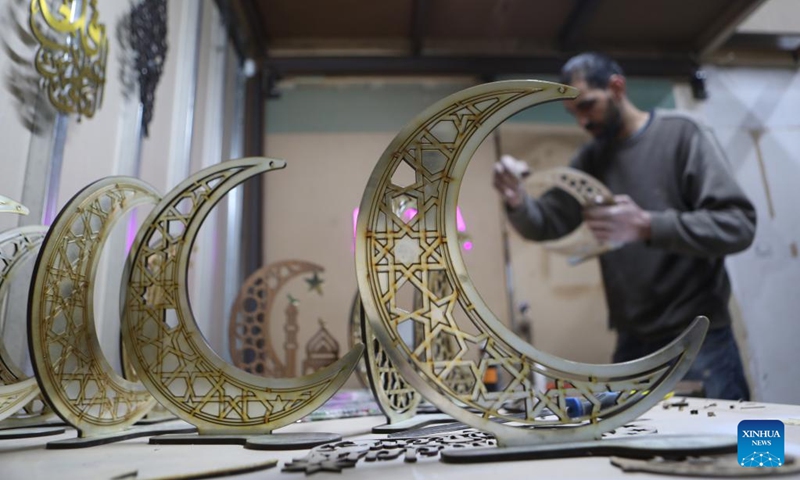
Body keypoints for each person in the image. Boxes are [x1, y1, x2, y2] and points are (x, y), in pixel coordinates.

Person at [493, 52, 756, 401]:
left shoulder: (681, 135)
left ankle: (762, 458)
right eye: (574, 114)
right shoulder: (590, 159)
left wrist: (648, 226)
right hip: (633, 344)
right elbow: (547, 222)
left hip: (698, 337)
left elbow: (738, 225)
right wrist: (516, 199)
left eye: (588, 106)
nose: (583, 123)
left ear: (617, 87)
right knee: (633, 451)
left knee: (742, 449)